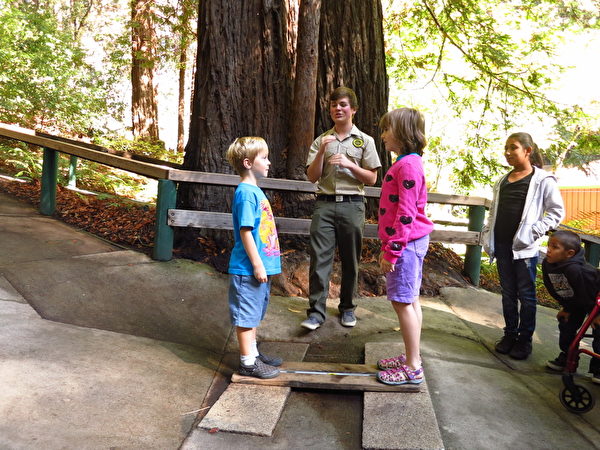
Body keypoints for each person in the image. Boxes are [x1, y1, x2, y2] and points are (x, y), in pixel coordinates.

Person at [301, 87, 381, 330]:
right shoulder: (321, 140)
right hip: (324, 206)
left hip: (352, 206)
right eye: (334, 105)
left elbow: (372, 179)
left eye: (343, 105)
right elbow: (312, 177)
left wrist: (349, 164)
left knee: (350, 261)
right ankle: (316, 313)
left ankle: (347, 308)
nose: (338, 108)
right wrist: (323, 151)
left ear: (353, 110)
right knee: (319, 260)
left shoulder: (365, 141)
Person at [482, 132, 564, 360]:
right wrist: (488, 234)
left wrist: (534, 232)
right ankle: (509, 334)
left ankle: (524, 340)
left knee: (526, 295)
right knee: (508, 293)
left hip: (524, 249)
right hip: (502, 246)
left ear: (527, 151)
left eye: (513, 148)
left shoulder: (542, 180)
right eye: (506, 148)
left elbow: (556, 213)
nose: (508, 152)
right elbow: (493, 213)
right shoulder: (502, 181)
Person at [375, 108, 434, 385]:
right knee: (411, 301)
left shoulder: (408, 165)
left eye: (387, 129)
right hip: (410, 242)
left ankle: (412, 367)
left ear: (402, 133)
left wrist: (392, 251)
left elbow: (406, 213)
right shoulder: (407, 162)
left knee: (402, 302)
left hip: (407, 244)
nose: (383, 135)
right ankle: (413, 356)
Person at [225, 137, 283, 379]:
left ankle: (254, 353)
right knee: (246, 315)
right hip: (247, 269)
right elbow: (246, 231)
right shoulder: (246, 194)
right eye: (264, 157)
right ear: (248, 163)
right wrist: (258, 264)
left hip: (257, 268)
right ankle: (248, 362)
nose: (268, 162)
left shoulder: (254, 190)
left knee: (254, 312)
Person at [542, 230, 600, 381]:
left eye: (554, 247)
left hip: (595, 300)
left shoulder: (577, 270)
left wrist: (596, 315)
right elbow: (559, 289)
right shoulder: (548, 264)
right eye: (549, 245)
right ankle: (568, 357)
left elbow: (588, 294)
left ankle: (598, 367)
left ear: (569, 253)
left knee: (599, 332)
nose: (548, 249)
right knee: (566, 325)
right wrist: (566, 308)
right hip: (578, 301)